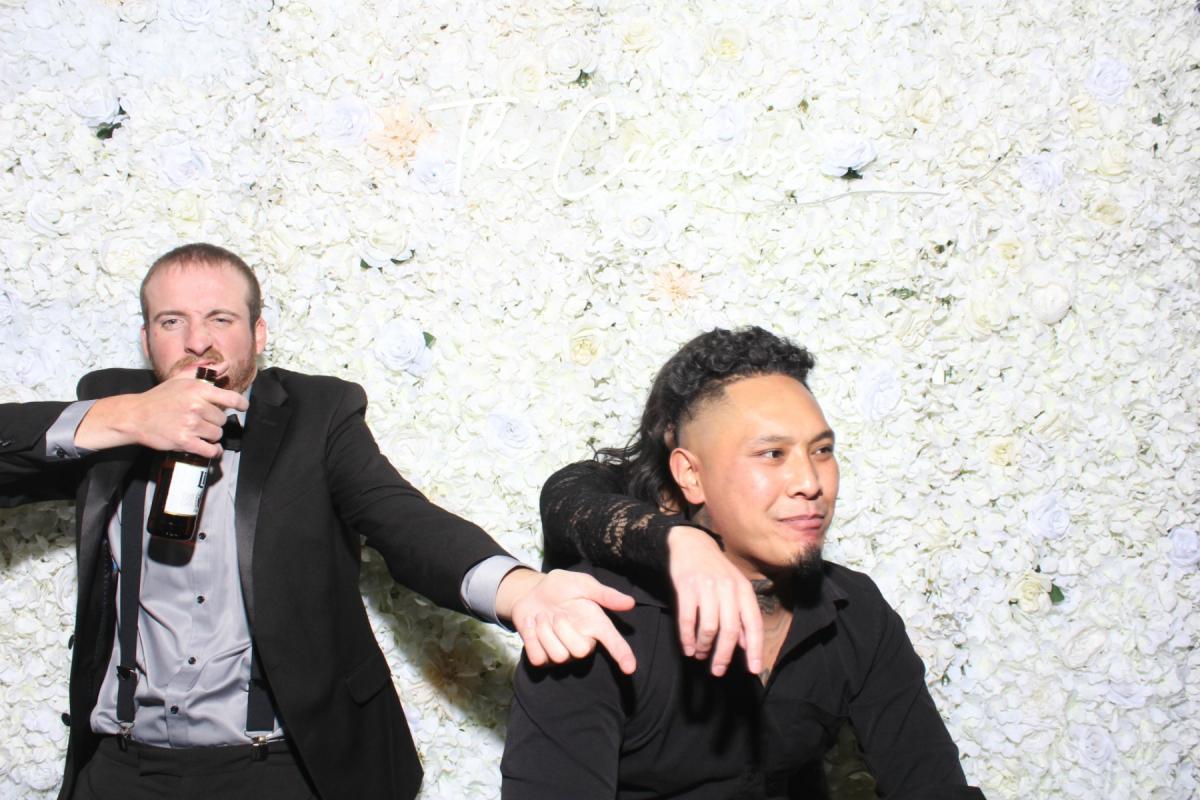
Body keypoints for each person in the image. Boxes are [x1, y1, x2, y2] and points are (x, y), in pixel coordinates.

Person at [0, 242, 637, 800]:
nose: (197, 340)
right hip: (125, 769)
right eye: (173, 321)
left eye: (221, 318)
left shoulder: (317, 414)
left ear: (258, 333)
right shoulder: (110, 411)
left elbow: (401, 517)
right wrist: (121, 419)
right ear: (146, 340)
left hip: (283, 766)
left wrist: (519, 590)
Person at [502, 326, 986, 799]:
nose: (810, 482)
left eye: (822, 450)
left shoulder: (856, 612)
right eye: (772, 454)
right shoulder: (596, 623)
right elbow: (569, 491)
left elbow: (932, 784)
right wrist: (681, 542)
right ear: (690, 476)